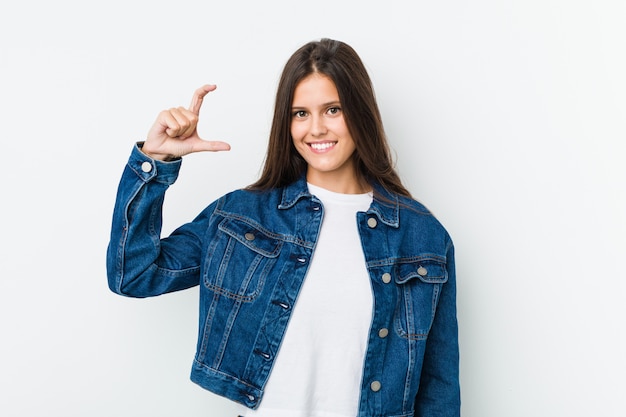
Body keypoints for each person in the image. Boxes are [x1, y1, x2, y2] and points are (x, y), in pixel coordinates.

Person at [107, 38, 460, 417]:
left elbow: (438, 385)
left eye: (333, 109)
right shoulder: (243, 217)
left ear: (361, 113)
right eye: (300, 114)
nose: (317, 129)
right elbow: (134, 274)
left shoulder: (423, 238)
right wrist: (154, 161)